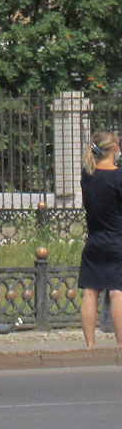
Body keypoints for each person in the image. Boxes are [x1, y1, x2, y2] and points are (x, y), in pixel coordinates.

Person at [79, 129, 122, 348]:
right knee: (117, 292)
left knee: (90, 291)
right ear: (115, 148)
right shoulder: (118, 177)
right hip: (117, 242)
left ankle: (90, 345)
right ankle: (120, 345)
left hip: (94, 242)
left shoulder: (88, 176)